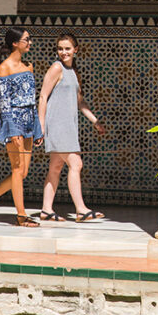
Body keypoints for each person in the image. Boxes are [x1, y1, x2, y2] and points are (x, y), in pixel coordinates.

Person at [0, 27, 44, 227]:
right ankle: (21, 215)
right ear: (15, 43)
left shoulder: (29, 66)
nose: (30, 42)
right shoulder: (4, 68)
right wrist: (12, 129)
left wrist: (38, 127)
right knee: (17, 169)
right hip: (14, 121)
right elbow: (4, 103)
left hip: (29, 121)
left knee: (23, 172)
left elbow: (32, 99)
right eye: (27, 39)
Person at [36, 32, 104, 222]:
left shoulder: (72, 72)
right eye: (60, 48)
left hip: (69, 126)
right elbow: (42, 96)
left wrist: (95, 121)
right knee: (76, 164)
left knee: (56, 167)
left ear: (76, 50)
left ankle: (46, 210)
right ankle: (81, 209)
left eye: (67, 48)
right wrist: (40, 126)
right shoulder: (56, 68)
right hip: (57, 125)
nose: (63, 52)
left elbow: (79, 102)